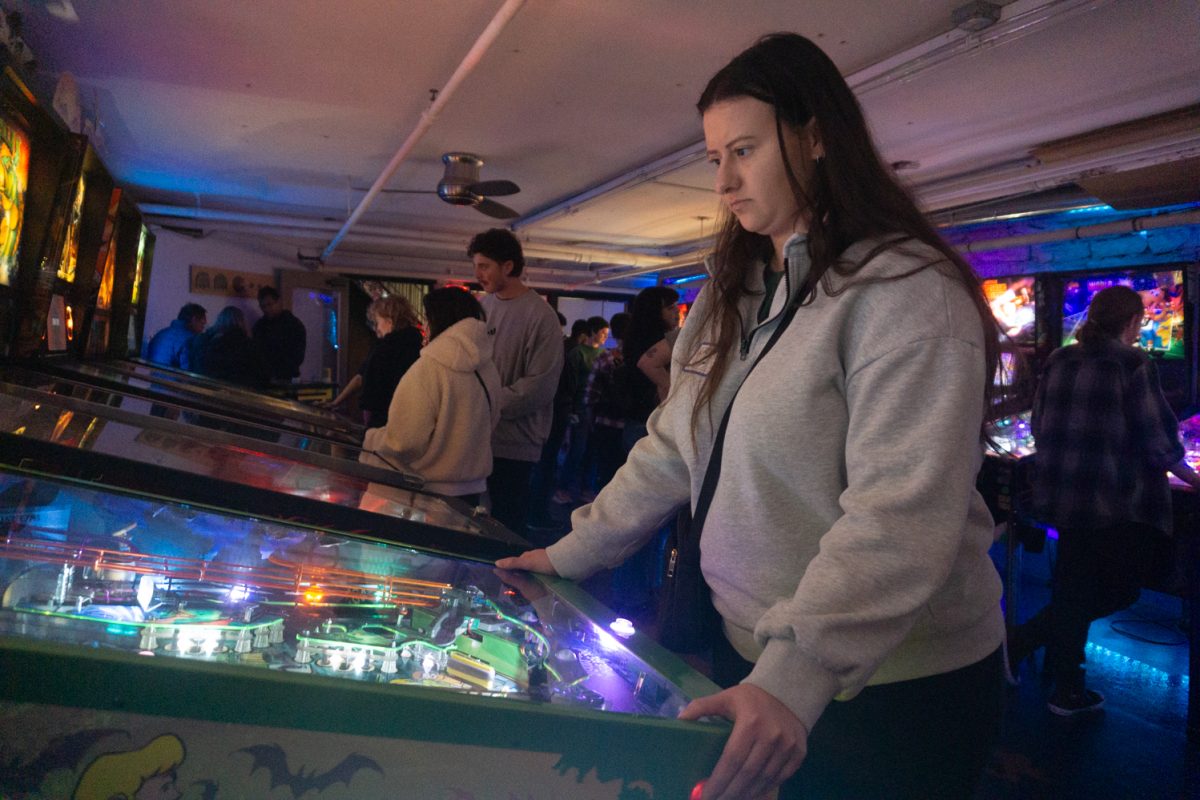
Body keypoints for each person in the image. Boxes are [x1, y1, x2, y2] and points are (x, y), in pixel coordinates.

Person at [499, 32, 1007, 800]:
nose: (726, 183)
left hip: (892, 688)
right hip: (759, 661)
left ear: (815, 136)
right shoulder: (731, 292)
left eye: (744, 151)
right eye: (714, 159)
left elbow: (902, 513)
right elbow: (675, 443)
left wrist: (792, 677)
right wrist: (573, 552)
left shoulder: (906, 290)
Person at [1009, 286, 1200, 715]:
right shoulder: (1132, 362)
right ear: (1133, 322)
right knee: (1121, 590)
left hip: (1062, 495)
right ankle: (1024, 646)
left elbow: (1038, 424)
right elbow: (1157, 440)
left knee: (1074, 588)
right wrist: (1190, 477)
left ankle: (1064, 685)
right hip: (1111, 500)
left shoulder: (1060, 358)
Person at [361, 288, 501, 504]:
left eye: (427, 319)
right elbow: (491, 420)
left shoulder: (428, 368)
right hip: (473, 489)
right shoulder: (488, 368)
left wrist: (372, 438)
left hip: (428, 491)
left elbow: (405, 441)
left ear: (438, 320)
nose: (424, 326)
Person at [471, 228, 563, 533]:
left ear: (508, 266)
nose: (478, 273)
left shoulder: (541, 315)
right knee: (476, 521)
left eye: (484, 266)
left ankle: (506, 581)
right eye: (476, 265)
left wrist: (486, 401)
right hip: (480, 435)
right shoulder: (484, 307)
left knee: (507, 523)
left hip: (516, 442)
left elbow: (539, 386)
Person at [328, 295, 423, 428]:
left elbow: (362, 376)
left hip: (382, 415)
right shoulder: (417, 344)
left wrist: (336, 402)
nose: (375, 328)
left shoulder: (384, 348)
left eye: (377, 322)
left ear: (389, 321)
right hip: (408, 414)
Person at [554, 315, 610, 504]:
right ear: (592, 332)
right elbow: (570, 383)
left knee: (591, 450)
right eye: (602, 333)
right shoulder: (578, 353)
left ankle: (586, 488)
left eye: (606, 334)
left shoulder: (603, 354)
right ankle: (563, 487)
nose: (604, 337)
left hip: (594, 408)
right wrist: (571, 410)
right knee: (577, 449)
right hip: (581, 407)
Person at [617, 286, 680, 451]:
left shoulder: (634, 338)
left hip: (636, 418)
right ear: (654, 311)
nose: (677, 312)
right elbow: (648, 365)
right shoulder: (660, 342)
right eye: (670, 307)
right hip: (651, 420)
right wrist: (673, 391)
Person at [191, 306, 270, 389]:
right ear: (242, 322)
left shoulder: (205, 342)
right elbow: (263, 375)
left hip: (207, 390)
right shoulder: (247, 345)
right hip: (240, 394)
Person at [252, 286, 307, 382]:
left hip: (287, 378)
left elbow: (297, 355)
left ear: (279, 302)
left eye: (269, 304)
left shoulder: (293, 324)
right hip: (265, 378)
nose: (267, 309)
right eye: (263, 306)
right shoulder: (259, 326)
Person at [145, 303, 206, 370]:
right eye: (202, 324)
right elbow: (188, 373)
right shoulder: (189, 340)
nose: (203, 328)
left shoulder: (160, 333)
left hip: (151, 378)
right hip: (170, 380)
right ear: (194, 320)